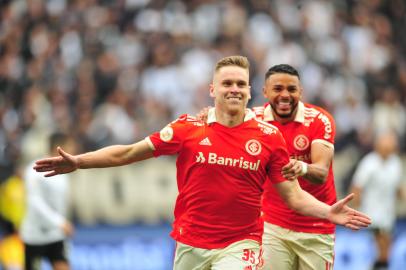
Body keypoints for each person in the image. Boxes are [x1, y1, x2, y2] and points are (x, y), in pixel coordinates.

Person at [34, 56, 371, 270]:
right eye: (227, 83)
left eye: (241, 83)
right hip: (190, 243)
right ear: (213, 89)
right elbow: (128, 152)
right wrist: (79, 161)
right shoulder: (188, 128)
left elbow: (293, 195)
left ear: (251, 90)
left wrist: (328, 211)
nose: (234, 89)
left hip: (242, 245)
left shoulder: (269, 138)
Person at [198, 64, 340, 269]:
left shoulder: (319, 120)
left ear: (301, 91)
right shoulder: (251, 119)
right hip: (273, 226)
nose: (285, 95)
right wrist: (209, 116)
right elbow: (221, 128)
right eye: (277, 89)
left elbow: (321, 173)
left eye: (291, 89)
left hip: (317, 226)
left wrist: (302, 167)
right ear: (265, 92)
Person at [20, 133, 75, 270]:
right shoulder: (35, 169)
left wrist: (61, 225)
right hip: (34, 235)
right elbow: (34, 201)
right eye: (70, 145)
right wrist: (60, 222)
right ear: (60, 148)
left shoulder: (64, 171)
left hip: (55, 235)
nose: (74, 148)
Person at [350, 130, 404, 270]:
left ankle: (377, 266)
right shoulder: (369, 163)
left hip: (388, 214)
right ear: (378, 146)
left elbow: (399, 189)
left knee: (386, 249)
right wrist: (355, 213)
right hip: (371, 214)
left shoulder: (395, 163)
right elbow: (357, 188)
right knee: (383, 247)